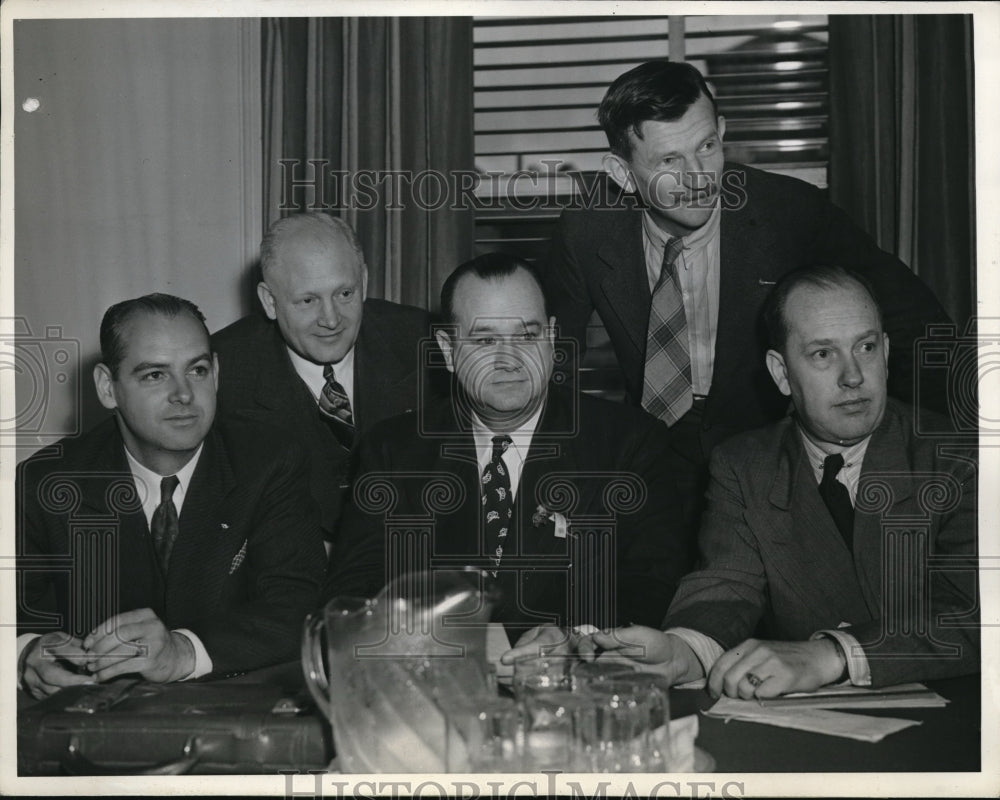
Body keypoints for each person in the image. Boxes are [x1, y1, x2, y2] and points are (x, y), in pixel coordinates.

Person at [515, 265, 977, 696]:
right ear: (781, 373)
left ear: (887, 352)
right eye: (823, 354)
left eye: (866, 347)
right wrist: (679, 653)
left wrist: (833, 653)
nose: (853, 375)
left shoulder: (959, 457)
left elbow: (979, 614)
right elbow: (724, 589)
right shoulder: (744, 465)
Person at [542, 60, 952, 537]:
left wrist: (921, 449)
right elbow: (551, 358)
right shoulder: (587, 231)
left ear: (721, 131)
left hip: (773, 451)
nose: (698, 178)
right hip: (654, 449)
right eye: (669, 161)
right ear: (622, 172)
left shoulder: (788, 212)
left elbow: (915, 322)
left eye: (707, 147)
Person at [328, 253, 695, 642]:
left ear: (552, 339)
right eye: (485, 340)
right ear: (449, 351)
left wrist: (575, 642)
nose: (509, 361)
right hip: (439, 688)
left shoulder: (630, 445)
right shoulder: (392, 453)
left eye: (526, 336)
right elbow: (349, 601)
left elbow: (652, 589)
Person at [17, 294, 326, 699]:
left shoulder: (268, 461)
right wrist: (26, 653)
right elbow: (14, 616)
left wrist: (182, 653)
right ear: (107, 388)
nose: (183, 394)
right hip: (93, 726)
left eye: (197, 370)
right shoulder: (45, 483)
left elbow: (299, 607)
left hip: (232, 716)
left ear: (215, 373)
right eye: (155, 375)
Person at [212, 213, 430, 542]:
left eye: (345, 294)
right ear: (269, 301)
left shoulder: (425, 343)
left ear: (365, 283)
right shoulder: (221, 372)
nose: (330, 320)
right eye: (308, 300)